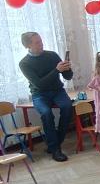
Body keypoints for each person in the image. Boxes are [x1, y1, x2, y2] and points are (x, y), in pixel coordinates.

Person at [18, 32, 73, 162]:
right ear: (27, 45)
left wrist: (67, 68)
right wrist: (57, 70)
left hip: (57, 90)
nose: (41, 44)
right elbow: (40, 84)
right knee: (46, 113)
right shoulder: (24, 63)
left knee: (67, 107)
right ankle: (55, 150)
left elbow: (68, 77)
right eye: (37, 42)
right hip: (39, 93)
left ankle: (54, 144)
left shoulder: (52, 55)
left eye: (41, 41)